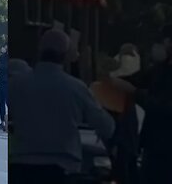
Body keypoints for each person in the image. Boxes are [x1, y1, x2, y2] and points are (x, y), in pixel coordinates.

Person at [9, 29, 115, 184]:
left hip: (20, 166)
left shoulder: (16, 85)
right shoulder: (76, 87)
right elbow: (107, 127)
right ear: (65, 57)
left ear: (39, 52)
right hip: (62, 168)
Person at [90, 55, 139, 184]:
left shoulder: (114, 92)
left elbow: (124, 123)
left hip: (118, 146)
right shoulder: (105, 90)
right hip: (119, 146)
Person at [138, 24, 172, 184]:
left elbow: (165, 107)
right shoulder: (159, 69)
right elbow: (137, 81)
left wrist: (141, 96)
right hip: (152, 144)